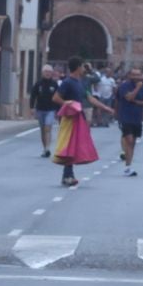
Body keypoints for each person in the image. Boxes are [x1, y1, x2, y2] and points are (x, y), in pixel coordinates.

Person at [51, 56, 108, 187]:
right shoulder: (67, 82)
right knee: (69, 146)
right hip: (69, 118)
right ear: (77, 67)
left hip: (78, 116)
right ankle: (68, 175)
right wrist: (66, 102)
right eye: (82, 66)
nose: (84, 69)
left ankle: (68, 175)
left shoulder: (81, 82)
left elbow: (89, 97)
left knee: (74, 146)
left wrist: (105, 107)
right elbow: (55, 98)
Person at [116, 66, 143, 176]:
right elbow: (129, 98)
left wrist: (136, 102)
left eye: (138, 75)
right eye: (134, 74)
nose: (136, 77)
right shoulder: (125, 86)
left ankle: (128, 165)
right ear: (129, 75)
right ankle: (127, 165)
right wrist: (137, 89)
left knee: (133, 142)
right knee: (129, 140)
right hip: (125, 117)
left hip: (137, 118)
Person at [30, 64, 60, 157]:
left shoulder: (54, 84)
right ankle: (44, 149)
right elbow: (33, 96)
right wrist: (32, 108)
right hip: (40, 109)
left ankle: (48, 148)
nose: (47, 74)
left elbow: (58, 97)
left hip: (50, 110)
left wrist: (57, 110)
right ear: (42, 73)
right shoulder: (38, 84)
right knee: (43, 130)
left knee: (48, 128)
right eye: (46, 72)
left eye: (49, 72)